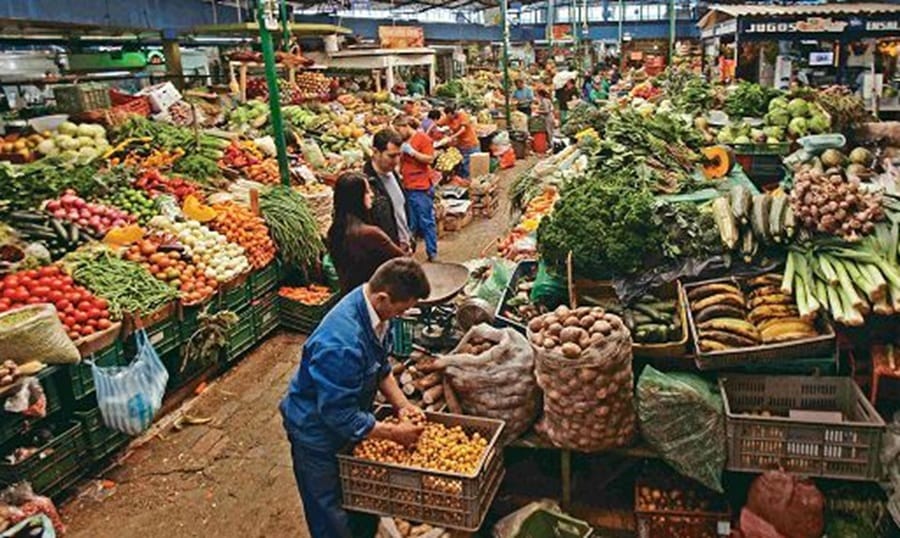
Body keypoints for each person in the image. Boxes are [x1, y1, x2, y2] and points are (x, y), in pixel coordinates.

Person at [280, 258, 431, 538]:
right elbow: (339, 415)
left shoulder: (374, 311)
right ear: (383, 297)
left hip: (345, 422)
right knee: (330, 514)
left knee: (359, 504)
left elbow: (381, 367)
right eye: (401, 310)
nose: (400, 315)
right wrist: (395, 434)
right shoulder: (341, 344)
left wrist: (403, 405)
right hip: (315, 432)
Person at [326, 172, 406, 293]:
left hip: (350, 294)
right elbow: (403, 261)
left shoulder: (335, 231)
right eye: (367, 192)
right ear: (356, 198)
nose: (372, 195)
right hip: (374, 295)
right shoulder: (369, 234)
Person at [394, 115, 439, 262]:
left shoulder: (422, 139)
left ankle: (432, 252)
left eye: (398, 129)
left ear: (406, 126)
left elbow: (430, 159)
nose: (397, 133)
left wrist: (413, 152)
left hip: (421, 186)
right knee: (410, 223)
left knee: (426, 221)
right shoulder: (403, 142)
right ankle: (410, 252)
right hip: (407, 185)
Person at [364, 129, 412, 251]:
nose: (396, 161)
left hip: (404, 248)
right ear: (375, 152)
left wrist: (408, 238)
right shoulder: (366, 183)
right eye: (391, 156)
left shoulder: (393, 174)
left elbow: (401, 210)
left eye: (398, 155)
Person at [438, 103, 480, 179]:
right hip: (460, 146)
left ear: (452, 113)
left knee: (469, 168)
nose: (447, 117)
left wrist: (452, 137)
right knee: (462, 167)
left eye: (448, 115)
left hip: (470, 144)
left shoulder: (462, 115)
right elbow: (438, 123)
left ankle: (470, 184)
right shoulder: (447, 118)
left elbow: (463, 129)